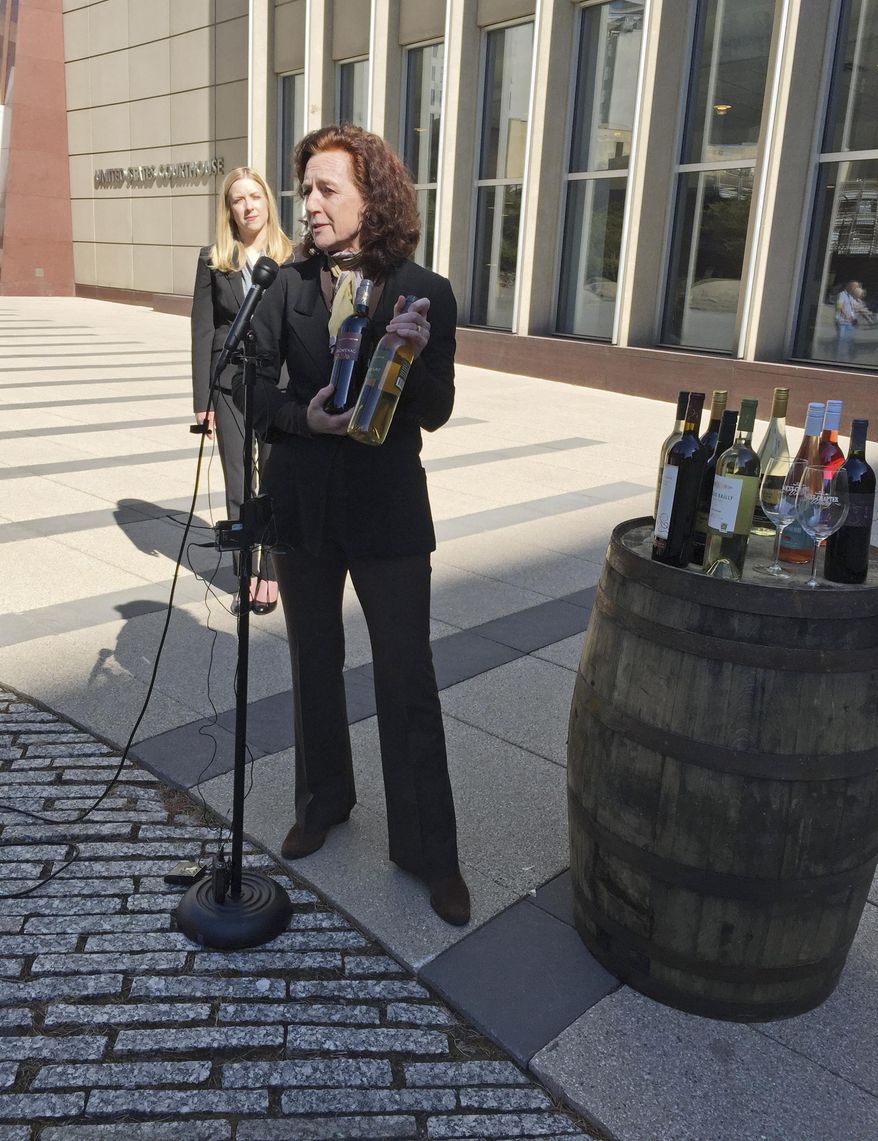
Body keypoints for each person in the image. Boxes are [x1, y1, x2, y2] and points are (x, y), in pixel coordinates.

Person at [237, 124, 470, 926]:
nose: (309, 203)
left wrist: (413, 358)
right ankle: (323, 801)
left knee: (407, 676)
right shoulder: (283, 283)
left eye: (327, 188)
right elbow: (250, 389)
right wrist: (300, 415)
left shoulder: (424, 290)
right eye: (305, 189)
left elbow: (435, 411)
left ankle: (430, 852)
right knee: (313, 661)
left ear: (373, 196)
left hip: (388, 509)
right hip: (302, 503)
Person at [191, 166, 293, 614]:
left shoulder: (292, 257)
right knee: (238, 481)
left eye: (255, 196)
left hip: (278, 382)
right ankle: (243, 574)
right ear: (228, 210)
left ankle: (270, 571)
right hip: (228, 381)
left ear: (267, 201)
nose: (248, 206)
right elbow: (202, 330)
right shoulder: (214, 258)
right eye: (238, 199)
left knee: (273, 478)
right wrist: (202, 400)